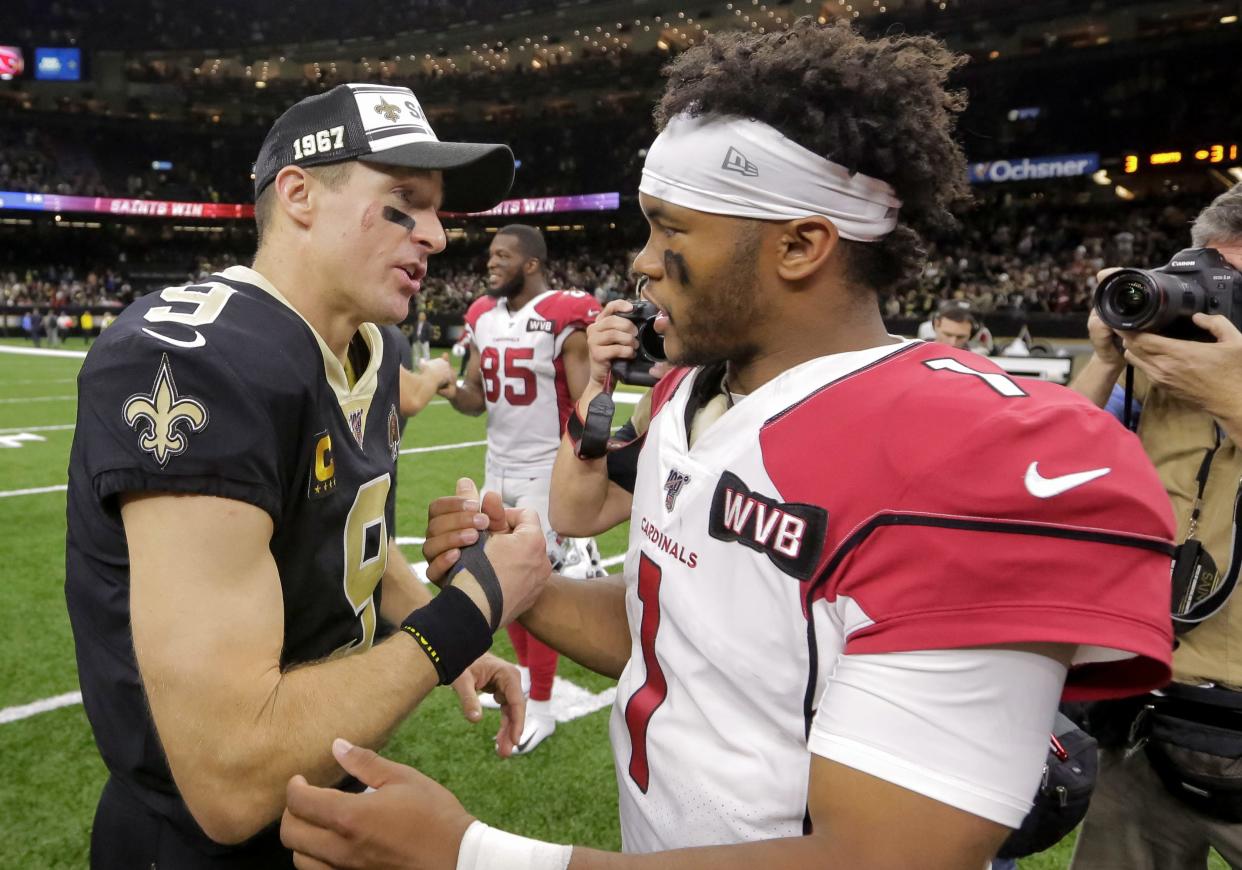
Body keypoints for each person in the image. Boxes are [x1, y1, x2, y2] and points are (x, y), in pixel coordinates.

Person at [281, 23, 1176, 869]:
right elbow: (676, 630)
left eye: (673, 230)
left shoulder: (960, 456)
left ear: (799, 245)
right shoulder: (694, 395)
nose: (640, 260)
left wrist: (472, 853)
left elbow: (885, 857)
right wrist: (524, 586)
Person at [64, 82, 550, 869]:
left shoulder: (375, 347)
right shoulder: (198, 359)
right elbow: (231, 778)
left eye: (436, 210)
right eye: (404, 202)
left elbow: (348, 538)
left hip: (326, 802)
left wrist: (441, 630)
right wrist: (472, 611)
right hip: (195, 843)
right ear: (297, 195)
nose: (435, 234)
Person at [1067, 184, 1242, 869]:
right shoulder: (1160, 368)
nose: (1215, 301)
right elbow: (1046, 466)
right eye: (1209, 278)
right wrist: (1109, 354)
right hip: (1146, 716)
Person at [442, 223, 603, 755]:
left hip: (544, 472)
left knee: (531, 587)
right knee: (501, 587)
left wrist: (580, 477)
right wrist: (447, 386)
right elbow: (474, 400)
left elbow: (586, 403)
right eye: (489, 254)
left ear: (531, 264)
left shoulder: (564, 316)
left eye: (502, 255)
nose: (490, 263)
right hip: (497, 467)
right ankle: (526, 683)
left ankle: (543, 706)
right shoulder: (482, 318)